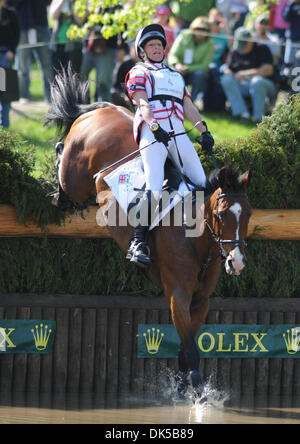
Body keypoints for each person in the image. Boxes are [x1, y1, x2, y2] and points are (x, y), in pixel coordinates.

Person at [125, 24, 214, 267]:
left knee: (202, 183)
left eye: (159, 44)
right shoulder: (138, 71)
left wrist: (204, 131)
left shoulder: (176, 76)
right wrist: (153, 125)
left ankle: (194, 238)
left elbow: (188, 107)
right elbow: (143, 104)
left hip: (177, 132)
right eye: (150, 45)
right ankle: (138, 242)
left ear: (165, 49)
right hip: (153, 132)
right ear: (142, 51)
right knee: (154, 184)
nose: (156, 48)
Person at [220, 27, 277, 122]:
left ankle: (259, 119)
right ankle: (242, 114)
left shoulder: (262, 48)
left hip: (265, 86)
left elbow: (268, 70)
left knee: (257, 81)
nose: (241, 48)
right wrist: (227, 71)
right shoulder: (235, 50)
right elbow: (228, 67)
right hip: (242, 85)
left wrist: (245, 74)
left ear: (251, 41)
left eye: (244, 45)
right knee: (226, 79)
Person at [11, 0, 53, 104]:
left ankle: (50, 97)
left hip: (42, 25)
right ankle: (23, 95)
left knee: (47, 65)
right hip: (22, 26)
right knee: (22, 65)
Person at [168, 17, 214, 102]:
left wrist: (188, 68)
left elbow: (205, 65)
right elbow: (172, 54)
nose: (200, 32)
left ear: (207, 31)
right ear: (193, 28)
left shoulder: (210, 43)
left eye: (203, 29)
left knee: (200, 74)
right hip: (179, 68)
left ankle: (191, 102)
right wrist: (177, 64)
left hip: (194, 71)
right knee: (174, 73)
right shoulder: (184, 35)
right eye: (198, 29)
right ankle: (174, 101)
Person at [49, 0, 83, 74]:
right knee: (57, 76)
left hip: (74, 46)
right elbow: (53, 16)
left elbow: (80, 20)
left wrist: (72, 3)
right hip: (56, 45)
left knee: (72, 75)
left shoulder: (80, 2)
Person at [0, 0, 19, 127]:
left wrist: (12, 50)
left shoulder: (10, 13)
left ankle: (4, 127)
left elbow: (16, 34)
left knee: (4, 91)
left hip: (4, 56)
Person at [282, 0, 300, 67]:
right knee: (289, 61)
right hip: (292, 37)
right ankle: (288, 75)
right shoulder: (291, 4)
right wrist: (290, 4)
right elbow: (286, 18)